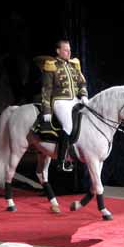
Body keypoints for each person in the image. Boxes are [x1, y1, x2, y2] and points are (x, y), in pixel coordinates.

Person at [40, 39, 89, 172]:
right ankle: (61, 161)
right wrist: (47, 110)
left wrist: (84, 95)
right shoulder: (51, 65)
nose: (69, 52)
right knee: (67, 125)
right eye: (66, 50)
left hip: (75, 100)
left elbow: (82, 83)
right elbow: (46, 90)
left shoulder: (74, 65)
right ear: (58, 51)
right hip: (60, 101)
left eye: (70, 50)